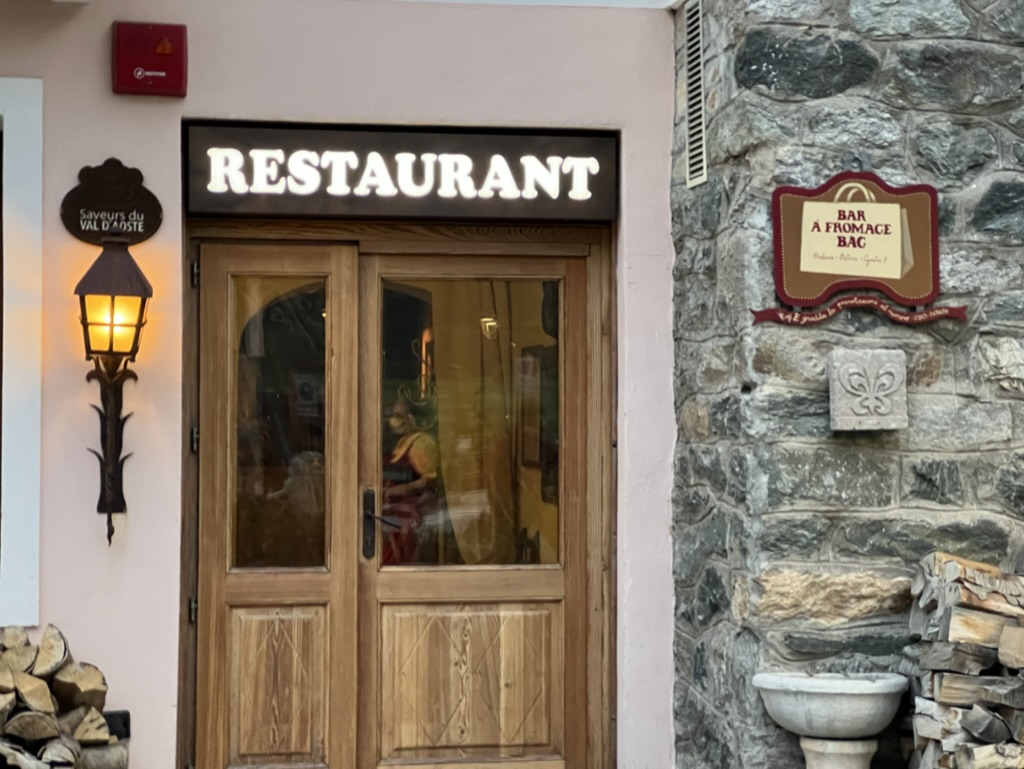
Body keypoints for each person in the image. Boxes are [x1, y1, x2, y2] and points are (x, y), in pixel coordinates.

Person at [381, 401, 440, 564]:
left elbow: (430, 479)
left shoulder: (422, 443)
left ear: (411, 418)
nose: (394, 420)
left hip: (412, 511)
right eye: (393, 415)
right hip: (390, 509)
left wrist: (406, 488)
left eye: (399, 416)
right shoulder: (401, 443)